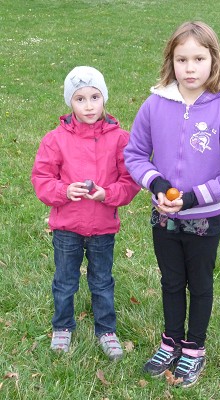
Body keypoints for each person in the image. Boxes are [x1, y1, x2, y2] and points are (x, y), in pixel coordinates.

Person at [124, 21, 220, 386]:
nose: (190, 67)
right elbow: (134, 154)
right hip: (163, 216)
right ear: (171, 61)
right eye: (182, 59)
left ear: (214, 60)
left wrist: (194, 197)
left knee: (198, 283)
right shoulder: (154, 105)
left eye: (199, 58)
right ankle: (170, 342)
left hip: (204, 219)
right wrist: (159, 185)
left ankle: (194, 348)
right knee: (170, 281)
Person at [31, 66, 140, 360]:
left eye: (95, 97)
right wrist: (64, 191)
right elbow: (42, 179)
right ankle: (62, 327)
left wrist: (109, 194)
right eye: (80, 99)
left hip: (103, 225)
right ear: (70, 102)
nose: (89, 105)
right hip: (67, 225)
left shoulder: (121, 139)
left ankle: (106, 329)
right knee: (65, 280)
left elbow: (130, 181)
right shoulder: (55, 139)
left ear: (104, 98)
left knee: (102, 280)